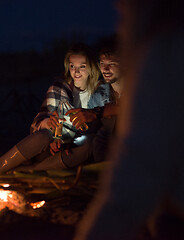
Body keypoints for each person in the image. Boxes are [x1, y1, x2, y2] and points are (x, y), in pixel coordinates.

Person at [74, 0, 184, 239]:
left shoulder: (162, 53)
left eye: (123, 11)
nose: (119, 22)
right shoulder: (102, 89)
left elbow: (139, 165)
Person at [0, 43, 111, 173]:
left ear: (92, 68)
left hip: (76, 151)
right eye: (72, 66)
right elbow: (38, 124)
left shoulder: (101, 92)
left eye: (82, 67)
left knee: (88, 143)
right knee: (43, 135)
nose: (76, 72)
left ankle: (30, 171)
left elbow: (101, 126)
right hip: (48, 149)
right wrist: (51, 127)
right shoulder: (58, 89)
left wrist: (69, 140)